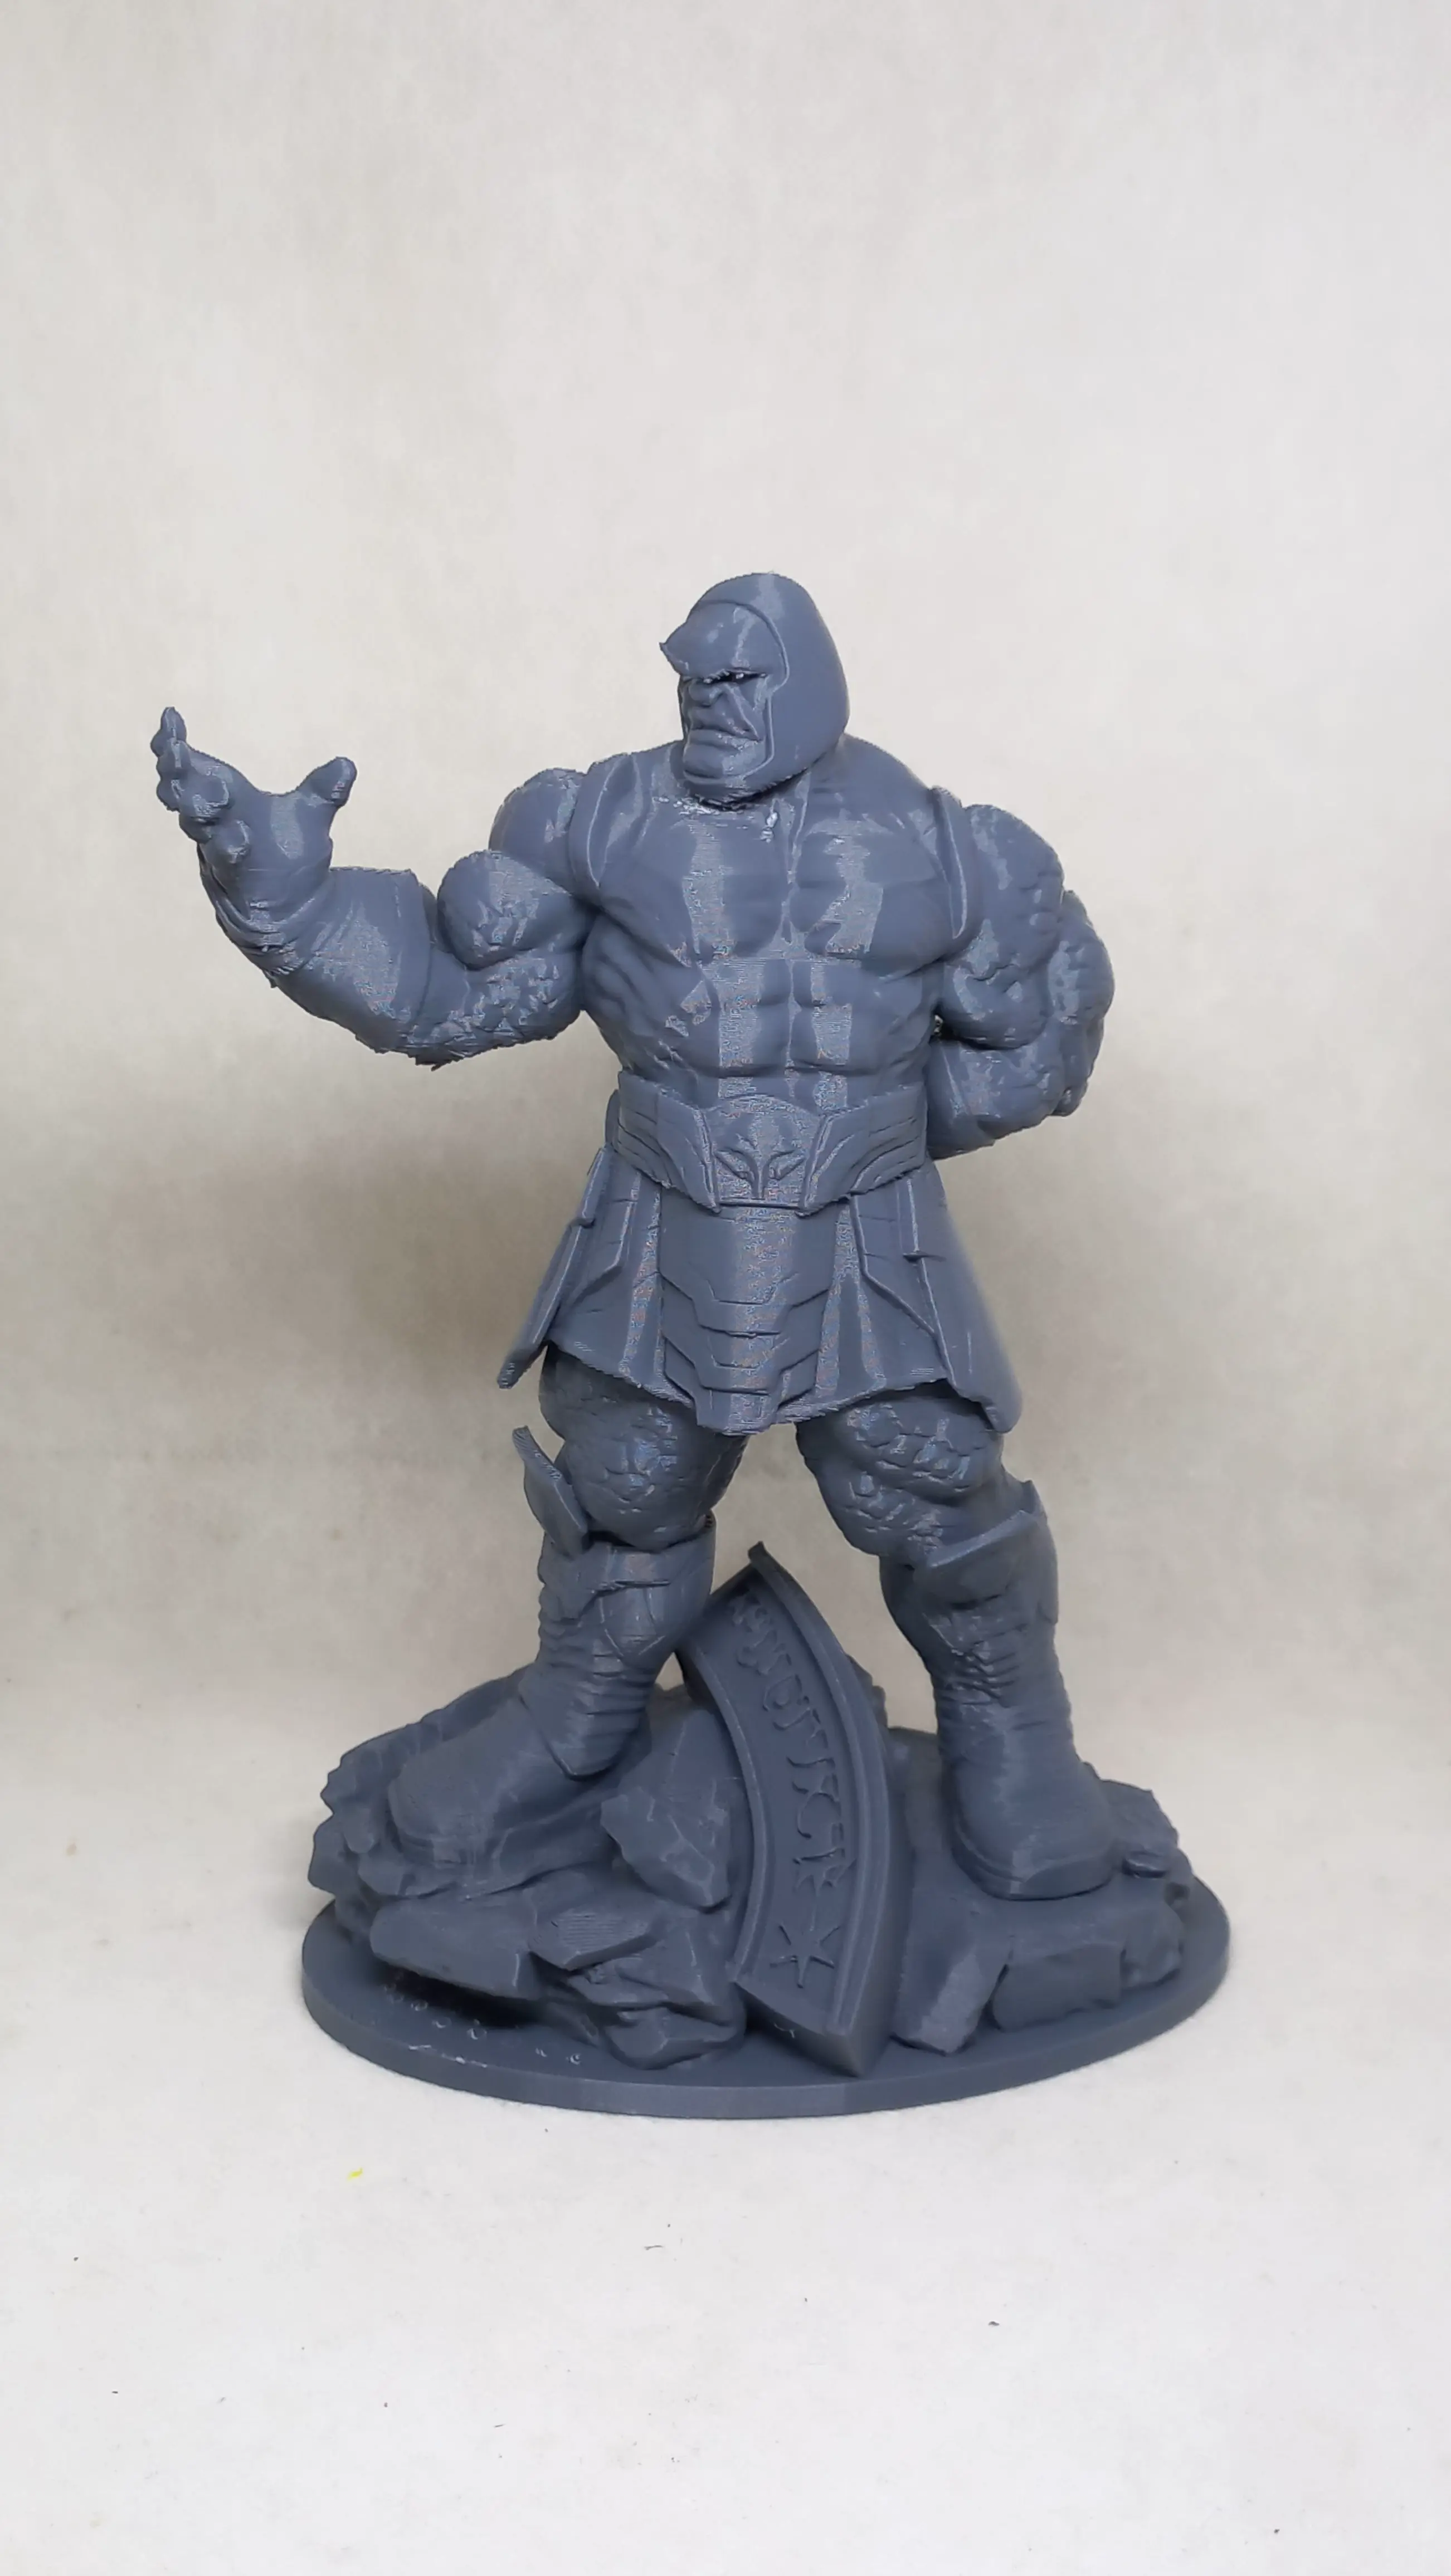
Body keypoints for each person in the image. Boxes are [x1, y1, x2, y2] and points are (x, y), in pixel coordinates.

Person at [153, 573, 1117, 1900]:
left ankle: (1016, 1734)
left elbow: (1045, 1036)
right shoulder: (599, 822)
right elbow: (447, 989)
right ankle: (578, 1718)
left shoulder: (951, 848)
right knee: (627, 1480)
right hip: (668, 1218)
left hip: (865, 1228)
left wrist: (884, 1124)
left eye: (741, 678)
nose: (708, 699)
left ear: (813, 683)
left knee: (923, 1478)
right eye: (692, 676)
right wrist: (284, 892)